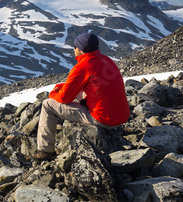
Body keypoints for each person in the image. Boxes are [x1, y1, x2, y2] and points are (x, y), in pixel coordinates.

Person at [34, 32, 130, 161]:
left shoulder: (83, 66)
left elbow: (64, 98)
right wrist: (65, 86)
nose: (74, 49)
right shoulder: (107, 60)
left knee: (48, 105)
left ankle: (46, 151)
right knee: (80, 92)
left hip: (103, 119)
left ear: (80, 49)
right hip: (122, 116)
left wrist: (54, 93)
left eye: (75, 46)